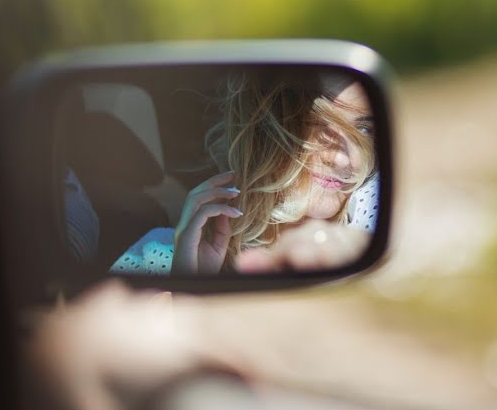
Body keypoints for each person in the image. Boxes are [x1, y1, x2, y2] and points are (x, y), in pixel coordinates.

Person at [110, 70, 380, 276]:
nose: (347, 159)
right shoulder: (158, 254)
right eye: (319, 125)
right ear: (266, 133)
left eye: (364, 130)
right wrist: (191, 282)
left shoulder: (367, 229)